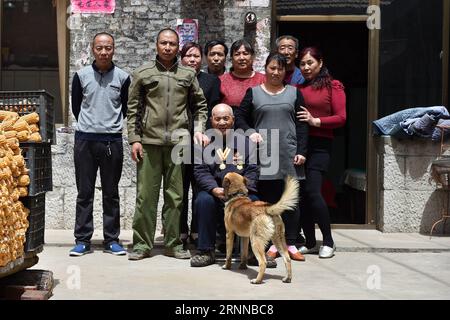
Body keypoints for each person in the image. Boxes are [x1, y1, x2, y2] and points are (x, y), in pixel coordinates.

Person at [126, 28, 208, 260]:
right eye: (164, 43)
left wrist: (198, 130)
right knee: (145, 197)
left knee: (175, 197)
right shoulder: (143, 73)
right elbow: (133, 109)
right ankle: (142, 244)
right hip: (149, 143)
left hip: (178, 144)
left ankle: (173, 243)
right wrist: (134, 139)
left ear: (177, 46)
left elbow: (200, 106)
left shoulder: (188, 74)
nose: (168, 47)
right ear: (156, 45)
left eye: (172, 43)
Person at [235, 52, 309, 261]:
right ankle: (272, 244)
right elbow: (239, 116)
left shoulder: (294, 93)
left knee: (291, 201)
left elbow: (302, 124)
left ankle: (291, 243)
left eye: (280, 68)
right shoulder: (253, 92)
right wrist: (250, 132)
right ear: (265, 69)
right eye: (272, 68)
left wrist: (302, 151)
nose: (276, 72)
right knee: (269, 202)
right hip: (264, 155)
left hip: (289, 153)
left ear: (286, 71)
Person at [70, 32, 130, 256]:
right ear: (92, 49)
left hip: (111, 141)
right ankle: (82, 240)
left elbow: (125, 108)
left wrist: (107, 126)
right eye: (99, 48)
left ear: (114, 49)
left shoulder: (123, 77)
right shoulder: (81, 75)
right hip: (85, 140)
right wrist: (92, 125)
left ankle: (111, 240)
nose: (104, 52)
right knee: (84, 192)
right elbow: (77, 107)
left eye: (108, 48)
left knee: (111, 193)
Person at [191, 103, 261, 267]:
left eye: (226, 118)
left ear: (233, 120)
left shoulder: (246, 143)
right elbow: (200, 171)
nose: (222, 122)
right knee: (203, 201)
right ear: (211, 121)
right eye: (218, 119)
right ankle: (206, 251)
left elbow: (253, 170)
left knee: (255, 201)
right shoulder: (203, 143)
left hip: (240, 194)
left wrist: (241, 191)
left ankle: (254, 252)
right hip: (215, 192)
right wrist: (214, 189)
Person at [296, 46, 346, 259]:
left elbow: (341, 117)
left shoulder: (333, 86)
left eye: (310, 63)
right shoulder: (298, 87)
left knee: (313, 191)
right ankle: (309, 241)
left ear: (320, 63)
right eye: (303, 64)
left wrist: (316, 121)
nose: (306, 67)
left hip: (320, 145)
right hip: (300, 145)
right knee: (301, 196)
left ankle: (328, 241)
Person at [179, 41, 221, 247]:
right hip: (178, 141)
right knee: (179, 187)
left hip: (202, 143)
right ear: (181, 59)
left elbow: (211, 111)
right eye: (188, 56)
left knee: (199, 188)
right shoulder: (176, 78)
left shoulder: (211, 81)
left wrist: (205, 135)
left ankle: (197, 229)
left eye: (196, 56)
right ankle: (180, 229)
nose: (193, 60)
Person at [219, 39, 265, 110]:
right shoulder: (221, 81)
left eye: (245, 53)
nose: (241, 58)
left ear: (253, 57)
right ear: (231, 59)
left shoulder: (263, 80)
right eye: (237, 54)